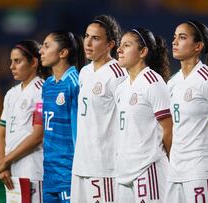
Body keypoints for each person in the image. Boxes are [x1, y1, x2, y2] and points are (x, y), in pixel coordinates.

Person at [164, 20, 208, 203]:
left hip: (201, 172)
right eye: (174, 37)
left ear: (198, 46)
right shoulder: (172, 83)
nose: (174, 42)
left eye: (182, 37)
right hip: (175, 173)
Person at [71, 15, 126, 203]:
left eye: (95, 38)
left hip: (104, 166)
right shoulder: (84, 72)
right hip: (80, 164)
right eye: (86, 36)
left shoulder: (118, 74)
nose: (88, 42)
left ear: (110, 44)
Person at [114, 28, 173, 203]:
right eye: (120, 45)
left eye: (126, 45)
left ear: (143, 52)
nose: (119, 50)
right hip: (124, 172)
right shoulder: (121, 87)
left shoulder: (153, 83)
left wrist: (175, 166)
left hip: (149, 169)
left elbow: (169, 131)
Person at [0, 40, 50, 201]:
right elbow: (1, 134)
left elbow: (37, 135)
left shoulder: (42, 91)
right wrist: (3, 167)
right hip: (9, 172)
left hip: (31, 171)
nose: (12, 66)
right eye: (11, 61)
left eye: (17, 61)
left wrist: (4, 161)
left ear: (33, 62)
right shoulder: (11, 94)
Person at [39, 30, 85, 202]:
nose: (41, 51)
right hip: (49, 172)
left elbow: (80, 130)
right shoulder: (47, 85)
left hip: (68, 172)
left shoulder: (75, 82)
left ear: (63, 52)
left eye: (46, 46)